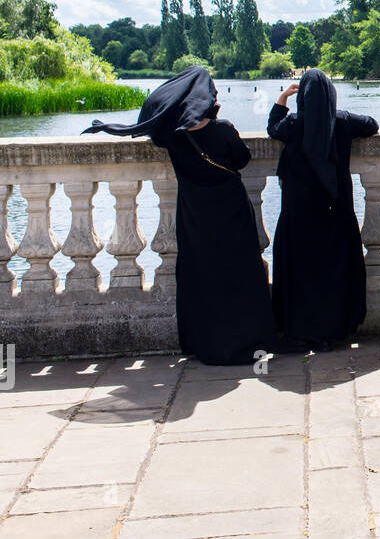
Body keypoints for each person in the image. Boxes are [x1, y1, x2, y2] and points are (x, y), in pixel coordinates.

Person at [84, 66, 276, 366]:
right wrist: (214, 117)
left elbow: (157, 121)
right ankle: (247, 342)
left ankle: (208, 344)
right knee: (239, 272)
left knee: (203, 274)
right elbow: (242, 158)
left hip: (195, 213)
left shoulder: (172, 137)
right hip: (230, 210)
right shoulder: (223, 128)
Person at [267, 68, 378, 349]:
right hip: (334, 209)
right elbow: (371, 124)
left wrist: (282, 98)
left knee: (302, 269)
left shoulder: (293, 124)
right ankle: (333, 329)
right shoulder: (341, 122)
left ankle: (303, 329)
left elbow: (272, 127)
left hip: (300, 212)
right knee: (333, 267)